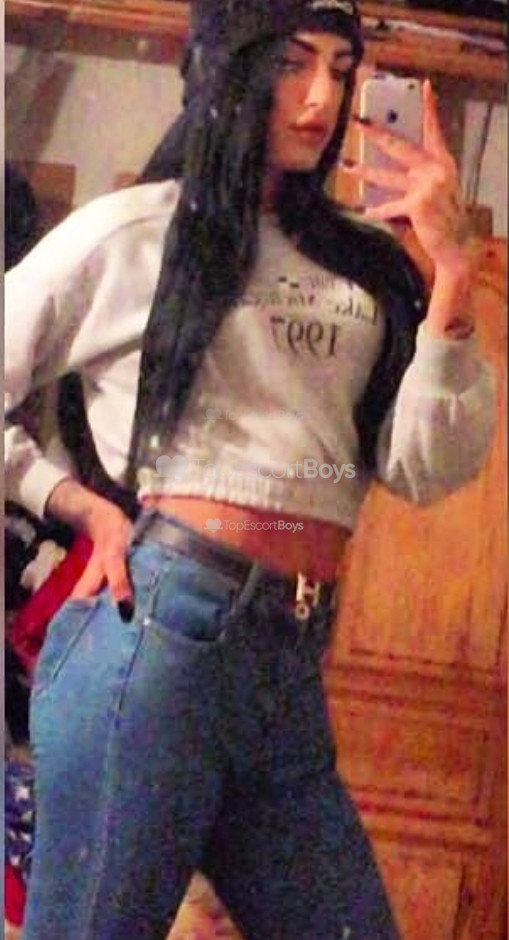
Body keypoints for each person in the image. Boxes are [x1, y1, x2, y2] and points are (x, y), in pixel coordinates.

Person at [5, 0, 496, 938]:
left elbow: (422, 468)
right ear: (230, 67)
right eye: (290, 63)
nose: (320, 100)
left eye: (341, 69)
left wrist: (451, 279)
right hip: (160, 638)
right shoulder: (137, 233)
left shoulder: (364, 263)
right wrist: (70, 502)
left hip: (288, 664)